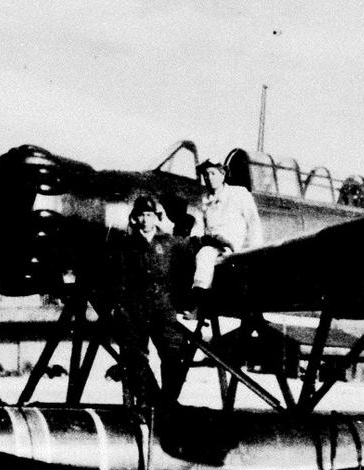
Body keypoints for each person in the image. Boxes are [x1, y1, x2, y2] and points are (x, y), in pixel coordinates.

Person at [103, 195, 200, 409]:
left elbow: (185, 273)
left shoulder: (172, 244)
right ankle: (154, 402)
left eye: (149, 215)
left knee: (174, 355)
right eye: (141, 215)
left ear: (156, 218)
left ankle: (169, 401)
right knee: (133, 356)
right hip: (135, 308)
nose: (145, 220)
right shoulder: (125, 245)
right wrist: (120, 307)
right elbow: (117, 277)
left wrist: (184, 303)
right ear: (135, 218)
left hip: (164, 307)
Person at [191, 161, 263, 302]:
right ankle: (200, 298)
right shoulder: (204, 201)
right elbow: (198, 227)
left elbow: (253, 222)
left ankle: (199, 301)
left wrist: (254, 250)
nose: (209, 178)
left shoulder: (239, 193)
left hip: (235, 244)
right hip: (213, 242)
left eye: (213, 173)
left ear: (222, 175)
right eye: (205, 175)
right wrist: (198, 239)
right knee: (204, 255)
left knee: (208, 257)